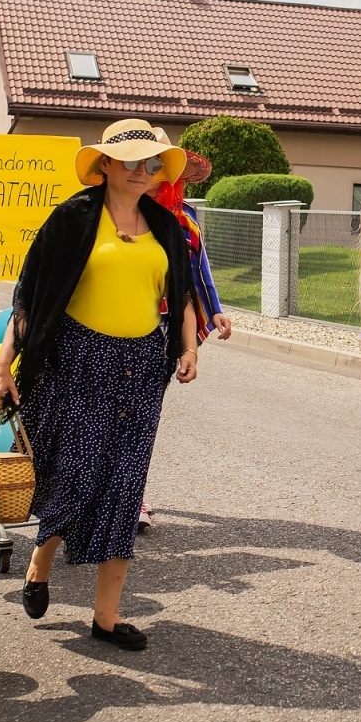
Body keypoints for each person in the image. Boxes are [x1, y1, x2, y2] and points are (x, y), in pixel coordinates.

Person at [0, 120, 198, 652]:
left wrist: (189, 345)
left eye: (152, 164)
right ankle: (41, 562)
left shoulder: (167, 227)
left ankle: (106, 616)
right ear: (104, 164)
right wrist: (3, 364)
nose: (142, 172)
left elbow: (179, 294)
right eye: (130, 161)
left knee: (124, 486)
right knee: (79, 475)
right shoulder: (72, 219)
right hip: (76, 361)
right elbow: (31, 297)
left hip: (142, 367)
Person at [137, 149, 230, 533]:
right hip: (120, 319)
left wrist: (216, 307)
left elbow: (199, 268)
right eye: (158, 168)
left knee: (143, 414)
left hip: (168, 321)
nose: (167, 176)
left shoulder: (188, 217)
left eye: (174, 170)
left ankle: (132, 495)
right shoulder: (132, 210)